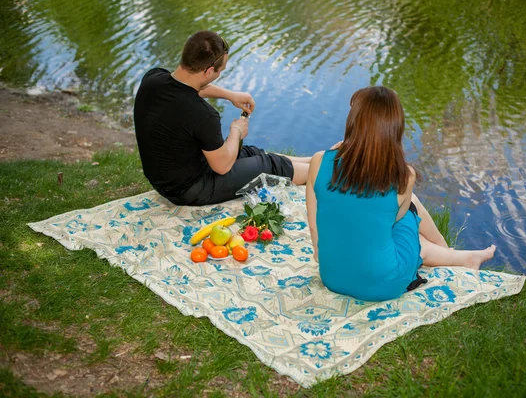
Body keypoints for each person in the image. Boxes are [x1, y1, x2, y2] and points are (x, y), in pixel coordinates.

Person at [306, 86, 496, 301]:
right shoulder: (404, 176)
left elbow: (314, 226)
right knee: (409, 215)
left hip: (333, 278)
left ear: (353, 122)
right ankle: (451, 252)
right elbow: (394, 219)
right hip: (383, 286)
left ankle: (458, 255)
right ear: (394, 128)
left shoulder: (318, 161)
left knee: (367, 217)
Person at [133, 30, 310, 206]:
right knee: (270, 168)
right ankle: (329, 174)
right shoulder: (203, 114)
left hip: (164, 180)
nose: (220, 74)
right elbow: (222, 166)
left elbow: (190, 87)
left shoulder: (153, 79)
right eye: (220, 70)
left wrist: (230, 95)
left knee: (252, 154)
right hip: (190, 189)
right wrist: (237, 131)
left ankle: (322, 161)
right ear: (209, 71)